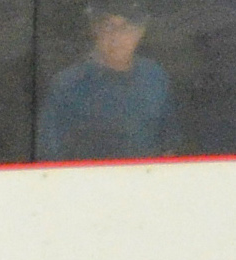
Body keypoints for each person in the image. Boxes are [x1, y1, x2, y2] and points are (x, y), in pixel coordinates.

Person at [40, 9, 181, 159]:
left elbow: (169, 146)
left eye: (126, 28)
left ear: (140, 31)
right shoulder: (68, 85)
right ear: (95, 30)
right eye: (108, 27)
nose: (116, 36)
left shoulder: (155, 77)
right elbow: (50, 156)